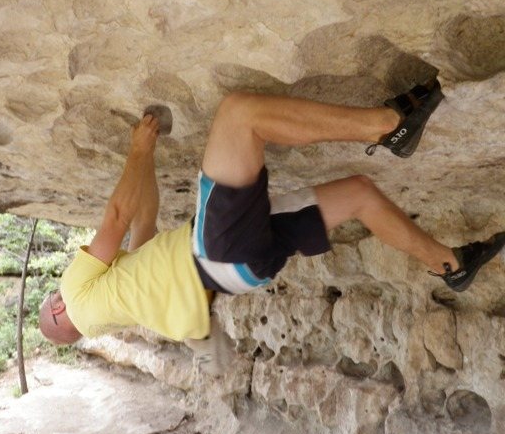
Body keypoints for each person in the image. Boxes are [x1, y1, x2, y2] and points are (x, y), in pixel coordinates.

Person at [39, 79, 505, 374]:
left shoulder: (117, 303)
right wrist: (138, 152)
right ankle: (388, 125)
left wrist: (146, 148)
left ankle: (450, 265)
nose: (58, 295)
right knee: (239, 114)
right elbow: (116, 218)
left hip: (243, 271)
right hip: (215, 249)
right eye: (54, 299)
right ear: (60, 313)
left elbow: (142, 219)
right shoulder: (76, 292)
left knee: (360, 193)